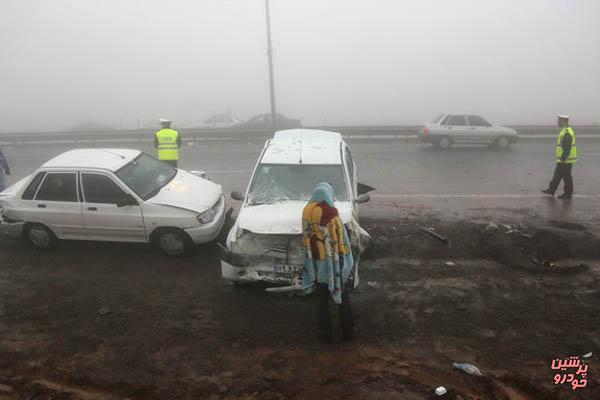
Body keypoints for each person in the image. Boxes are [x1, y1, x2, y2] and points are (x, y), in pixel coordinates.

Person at [301, 182, 355, 342]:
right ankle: (348, 331)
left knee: (321, 300)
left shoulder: (306, 212)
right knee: (342, 297)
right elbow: (342, 241)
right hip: (334, 265)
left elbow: (306, 237)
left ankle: (325, 334)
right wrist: (347, 262)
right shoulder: (332, 214)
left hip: (317, 264)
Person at [542, 114, 577, 199]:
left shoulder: (567, 132)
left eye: (559, 121)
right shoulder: (565, 130)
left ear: (564, 121)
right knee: (557, 174)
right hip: (564, 159)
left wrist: (563, 158)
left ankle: (568, 193)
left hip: (566, 159)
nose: (558, 122)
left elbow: (567, 147)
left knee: (566, 177)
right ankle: (551, 189)